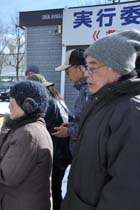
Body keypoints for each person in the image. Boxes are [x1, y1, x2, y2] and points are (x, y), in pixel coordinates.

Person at [62, 30, 140, 210]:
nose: (86, 73)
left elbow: (125, 193)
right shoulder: (100, 102)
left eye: (92, 66)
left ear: (117, 67)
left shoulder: (130, 112)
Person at [0, 80, 53, 210]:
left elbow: (6, 174)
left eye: (12, 104)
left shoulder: (28, 135)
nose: (9, 107)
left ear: (28, 106)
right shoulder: (30, 128)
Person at [28, 73, 72, 210]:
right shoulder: (57, 99)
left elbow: (40, 128)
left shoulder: (47, 103)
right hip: (64, 152)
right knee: (56, 189)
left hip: (57, 154)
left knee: (53, 190)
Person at [53, 49, 90, 156]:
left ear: (79, 69)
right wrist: (73, 124)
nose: (67, 75)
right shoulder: (85, 90)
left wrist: (68, 132)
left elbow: (91, 126)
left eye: (67, 71)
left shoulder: (88, 91)